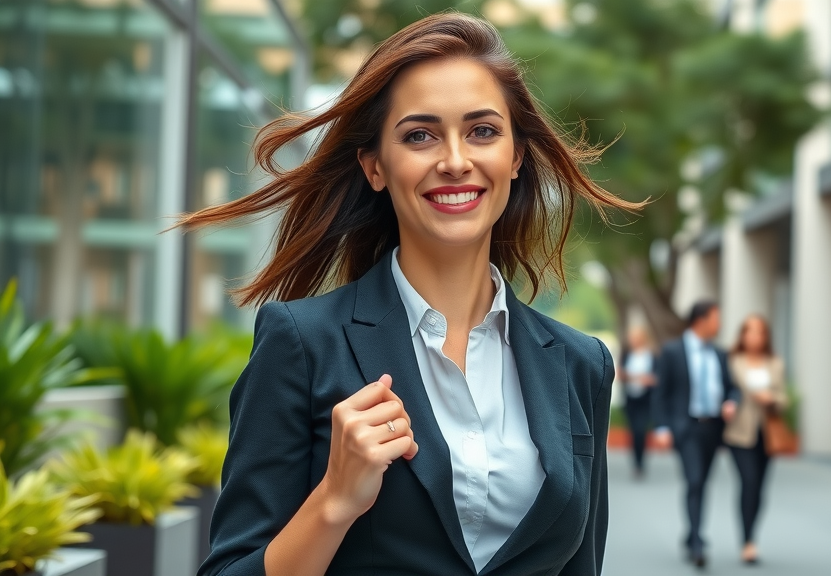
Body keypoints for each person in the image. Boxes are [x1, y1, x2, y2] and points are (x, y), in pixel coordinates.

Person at [178, 13, 642, 576]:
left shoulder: (579, 364)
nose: (454, 161)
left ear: (516, 157)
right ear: (375, 166)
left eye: (483, 131)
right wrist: (334, 501)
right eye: (419, 135)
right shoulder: (302, 345)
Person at [653, 300, 740, 568]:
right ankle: (698, 542)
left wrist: (732, 401)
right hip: (686, 427)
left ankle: (691, 533)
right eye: (717, 318)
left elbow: (732, 388)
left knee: (702, 482)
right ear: (701, 320)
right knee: (695, 480)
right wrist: (662, 427)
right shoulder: (672, 351)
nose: (720, 324)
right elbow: (660, 392)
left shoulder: (720, 354)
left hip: (713, 427)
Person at [723, 314, 788, 565]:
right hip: (740, 434)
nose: (755, 337)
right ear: (742, 335)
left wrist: (771, 399)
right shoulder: (732, 361)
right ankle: (747, 541)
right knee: (748, 482)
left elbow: (783, 397)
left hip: (767, 435)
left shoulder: (775, 363)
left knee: (759, 487)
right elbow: (727, 390)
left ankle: (752, 535)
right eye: (750, 331)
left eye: (760, 332)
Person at [620, 325, 658, 479]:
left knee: (640, 430)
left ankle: (640, 462)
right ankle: (636, 461)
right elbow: (620, 373)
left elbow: (657, 378)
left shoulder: (652, 356)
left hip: (645, 400)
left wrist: (646, 379)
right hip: (631, 399)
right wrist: (634, 377)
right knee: (633, 431)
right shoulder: (627, 355)